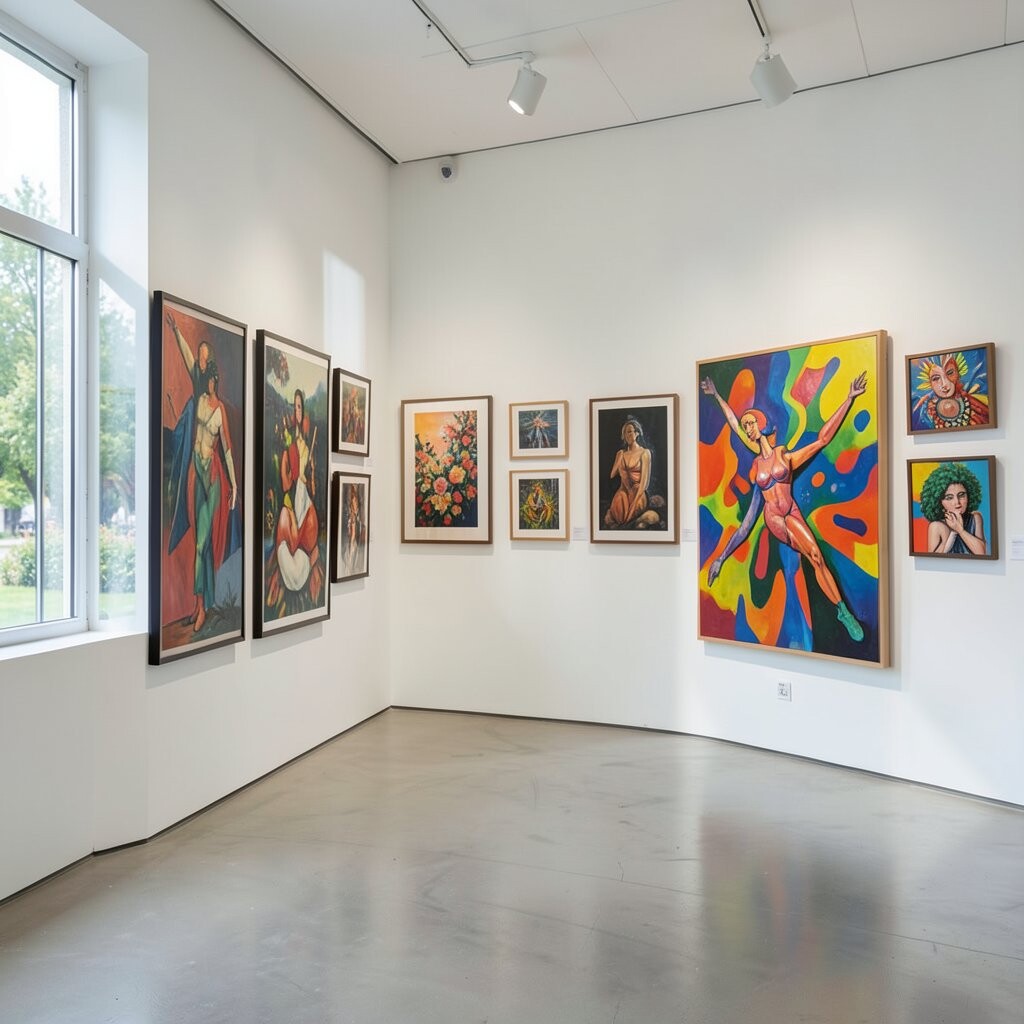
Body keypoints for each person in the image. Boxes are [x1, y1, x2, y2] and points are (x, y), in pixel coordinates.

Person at [700, 371, 868, 642]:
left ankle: (841, 611)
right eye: (745, 426)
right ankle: (844, 612)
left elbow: (822, 440)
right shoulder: (756, 468)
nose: (747, 428)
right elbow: (746, 526)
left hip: (792, 511)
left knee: (816, 557)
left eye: (751, 423)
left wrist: (849, 399)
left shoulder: (784, 456)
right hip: (775, 517)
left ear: (761, 424)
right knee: (813, 554)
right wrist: (721, 557)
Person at [166, 312, 239, 633]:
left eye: (206, 365)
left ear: (213, 375)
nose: (201, 366)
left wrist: (235, 486)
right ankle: (201, 606)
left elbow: (227, 451)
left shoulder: (220, 410)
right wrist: (175, 331)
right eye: (201, 362)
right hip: (196, 472)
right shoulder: (197, 402)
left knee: (202, 544)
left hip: (214, 480)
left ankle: (201, 608)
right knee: (201, 543)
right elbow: (186, 358)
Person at [272, 389, 323, 603]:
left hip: (305, 498)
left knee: (302, 550)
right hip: (293, 497)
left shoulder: (309, 439)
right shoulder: (290, 440)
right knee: (290, 552)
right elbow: (285, 481)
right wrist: (293, 475)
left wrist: (307, 476)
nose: (297, 411)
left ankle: (305, 562)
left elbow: (314, 482)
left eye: (300, 407)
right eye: (295, 407)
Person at [919, 463, 987, 555]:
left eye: (961, 495)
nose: (957, 503)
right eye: (949, 498)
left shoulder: (975, 517)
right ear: (939, 502)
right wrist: (953, 532)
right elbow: (933, 558)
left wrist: (960, 530)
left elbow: (981, 553)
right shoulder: (936, 526)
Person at [912, 351, 989, 429]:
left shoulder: (975, 403)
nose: (944, 384)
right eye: (936, 378)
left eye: (950, 373)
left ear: (958, 373)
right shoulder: (924, 412)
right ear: (929, 383)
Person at [605, 417, 652, 528]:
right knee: (619, 511)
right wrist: (619, 458)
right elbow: (612, 475)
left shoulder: (644, 453)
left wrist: (633, 504)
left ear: (637, 433)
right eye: (626, 433)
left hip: (638, 492)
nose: (628, 435)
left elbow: (644, 484)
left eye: (631, 432)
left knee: (631, 514)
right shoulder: (621, 454)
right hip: (624, 490)